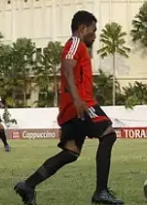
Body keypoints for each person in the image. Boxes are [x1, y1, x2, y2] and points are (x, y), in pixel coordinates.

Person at [14, 11, 122, 205]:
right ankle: (101, 192)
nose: (95, 35)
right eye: (93, 30)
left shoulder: (79, 47)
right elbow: (67, 68)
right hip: (80, 104)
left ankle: (28, 185)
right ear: (82, 28)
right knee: (108, 135)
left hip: (72, 108)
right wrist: (78, 99)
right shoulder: (74, 44)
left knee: (70, 153)